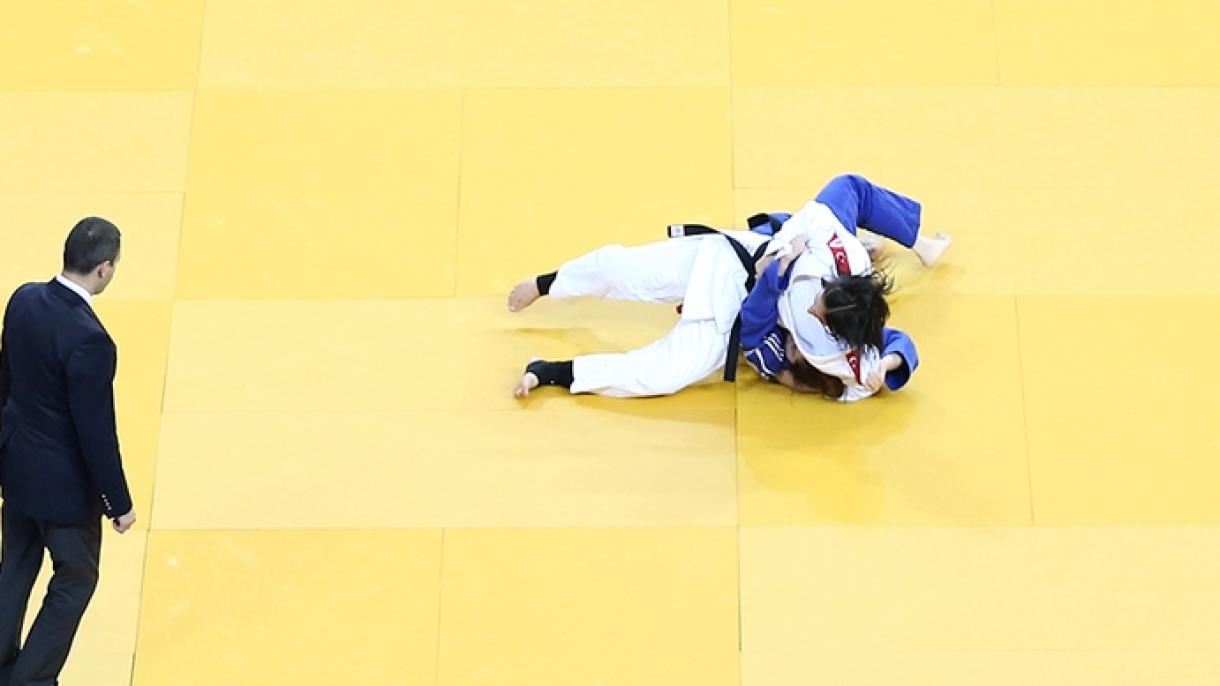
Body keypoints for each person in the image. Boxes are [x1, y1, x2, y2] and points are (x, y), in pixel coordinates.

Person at [0, 217, 136, 685]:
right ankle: (30, 678)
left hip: (16, 468)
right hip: (63, 490)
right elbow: (95, 432)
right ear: (103, 269)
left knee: (14, 567)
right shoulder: (91, 340)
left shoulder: (22, 300)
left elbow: (6, 383)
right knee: (75, 579)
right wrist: (117, 503)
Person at [741, 174, 947, 401]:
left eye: (818, 313)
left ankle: (914, 246)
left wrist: (777, 267)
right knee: (850, 194)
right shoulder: (850, 355)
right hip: (832, 257)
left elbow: (751, 328)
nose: (811, 310)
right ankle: (912, 245)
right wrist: (884, 366)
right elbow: (898, 346)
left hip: (787, 261)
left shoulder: (802, 340)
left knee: (847, 189)